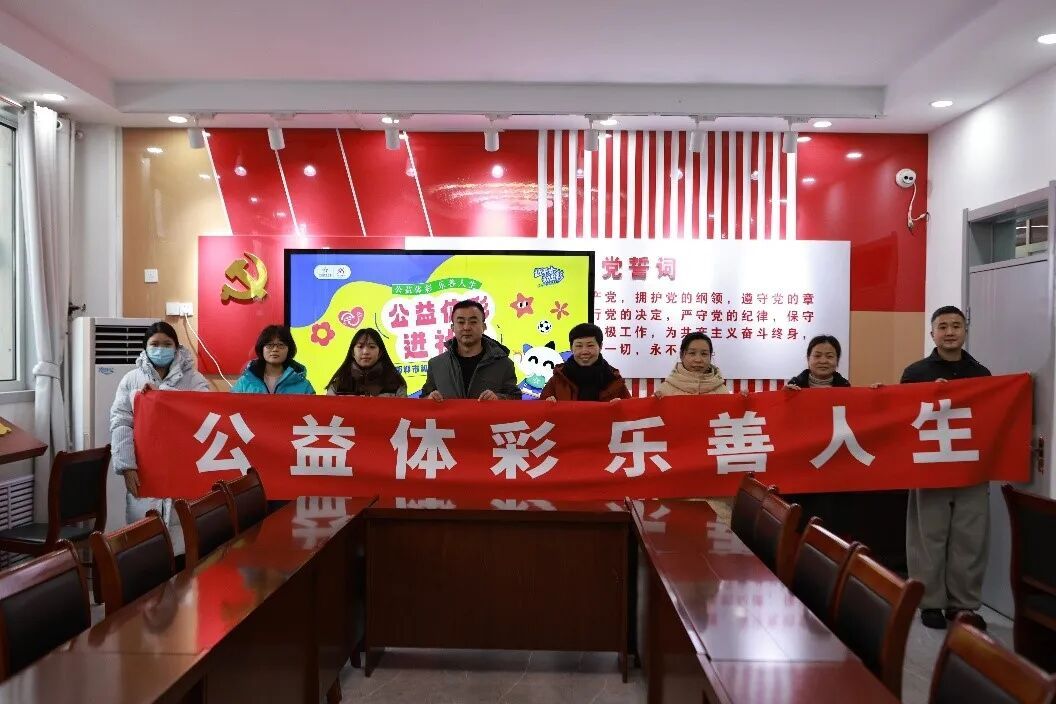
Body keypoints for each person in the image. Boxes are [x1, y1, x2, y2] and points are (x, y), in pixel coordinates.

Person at [901, 305, 992, 631]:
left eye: (956, 325)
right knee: (928, 537)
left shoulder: (982, 374)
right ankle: (929, 603)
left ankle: (963, 605)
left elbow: (990, 418)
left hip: (970, 467)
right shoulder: (915, 373)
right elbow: (901, 418)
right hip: (930, 465)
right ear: (932, 333)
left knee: (970, 537)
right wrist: (930, 395)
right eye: (943, 326)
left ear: (965, 330)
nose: (950, 332)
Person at [110, 321, 211, 524]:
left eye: (167, 344)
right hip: (145, 469)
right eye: (154, 344)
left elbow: (204, 412)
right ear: (145, 347)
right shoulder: (131, 380)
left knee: (183, 529)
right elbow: (121, 423)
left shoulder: (194, 379)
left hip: (183, 466)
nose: (160, 349)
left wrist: (162, 395)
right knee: (145, 531)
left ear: (176, 347)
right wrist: (127, 466)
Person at [421, 300, 520, 400]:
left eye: (473, 322)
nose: (466, 327)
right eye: (461, 322)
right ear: (453, 327)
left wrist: (499, 398)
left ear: (483, 327)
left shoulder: (503, 364)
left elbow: (516, 398)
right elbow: (422, 400)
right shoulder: (436, 365)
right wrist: (429, 399)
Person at [542, 323, 630, 402]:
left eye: (590, 345)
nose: (584, 351)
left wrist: (621, 407)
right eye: (579, 346)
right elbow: (540, 409)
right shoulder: (558, 379)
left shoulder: (614, 380)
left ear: (600, 346)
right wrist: (547, 403)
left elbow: (630, 411)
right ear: (571, 348)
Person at [230, 325, 315, 395]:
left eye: (281, 345)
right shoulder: (244, 383)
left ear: (289, 349)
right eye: (269, 345)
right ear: (261, 349)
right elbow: (232, 407)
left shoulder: (304, 386)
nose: (275, 349)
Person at [326, 328, 407, 397]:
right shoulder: (338, 384)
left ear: (380, 353)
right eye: (360, 346)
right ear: (353, 353)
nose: (365, 352)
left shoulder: (395, 384)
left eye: (372, 347)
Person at [656, 333, 730, 396]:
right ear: (681, 355)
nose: (698, 360)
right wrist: (655, 403)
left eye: (704, 354)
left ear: (710, 356)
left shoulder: (722, 391)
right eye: (692, 353)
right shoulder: (665, 391)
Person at [785, 335, 850, 389]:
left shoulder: (846, 388)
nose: (823, 361)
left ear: (837, 360)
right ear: (808, 359)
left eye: (829, 356)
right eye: (817, 356)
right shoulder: (793, 386)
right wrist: (784, 396)